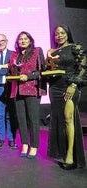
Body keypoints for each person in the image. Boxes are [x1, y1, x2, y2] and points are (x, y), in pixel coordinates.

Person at [46, 24, 86, 170]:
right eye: (57, 34)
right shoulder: (51, 51)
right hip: (55, 88)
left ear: (68, 33)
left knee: (69, 119)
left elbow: (82, 68)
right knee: (59, 121)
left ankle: (70, 156)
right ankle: (61, 152)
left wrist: (74, 85)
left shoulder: (76, 48)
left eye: (62, 33)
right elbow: (49, 69)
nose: (60, 36)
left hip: (70, 86)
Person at [8, 31, 46, 159]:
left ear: (30, 40)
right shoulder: (14, 55)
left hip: (32, 89)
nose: (23, 41)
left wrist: (28, 76)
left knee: (33, 119)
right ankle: (25, 144)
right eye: (20, 39)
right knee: (21, 120)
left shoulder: (36, 51)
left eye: (25, 39)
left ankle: (34, 146)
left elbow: (42, 72)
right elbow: (11, 71)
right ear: (17, 42)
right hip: (17, 90)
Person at [0, 34, 18, 150]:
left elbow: (14, 69)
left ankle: (12, 139)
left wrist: (1, 69)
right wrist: (3, 68)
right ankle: (1, 139)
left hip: (11, 87)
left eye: (2, 41)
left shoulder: (14, 54)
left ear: (7, 41)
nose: (0, 43)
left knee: (11, 115)